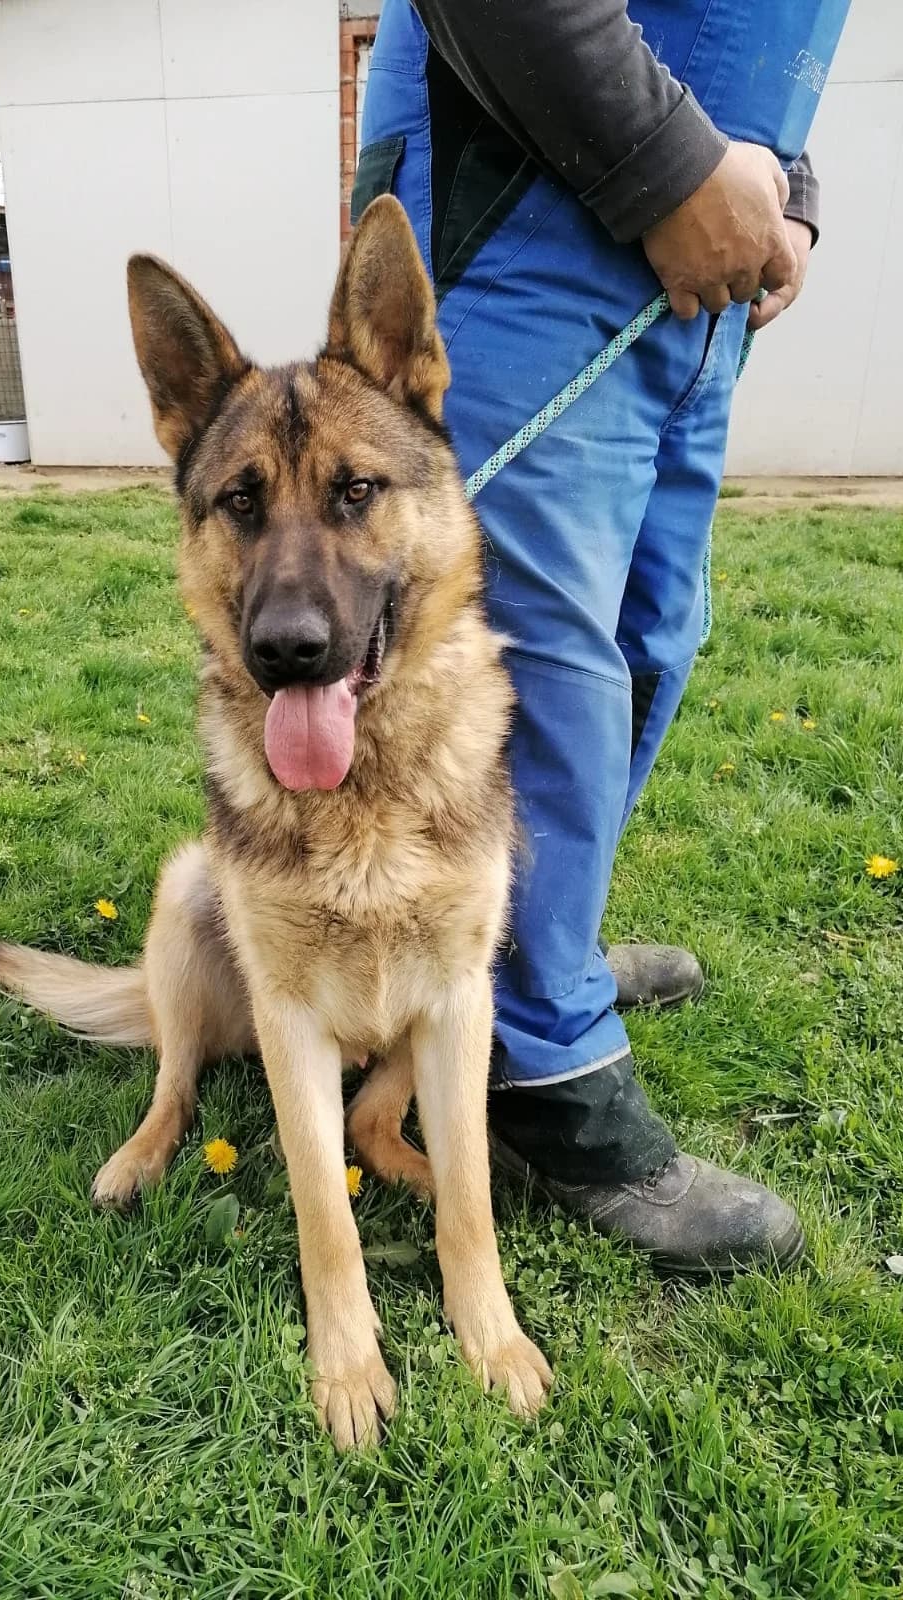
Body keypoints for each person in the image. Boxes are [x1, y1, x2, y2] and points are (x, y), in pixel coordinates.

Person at [356, 0, 851, 1272]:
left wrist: (785, 188)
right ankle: (530, 1053)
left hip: (690, 270)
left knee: (643, 644)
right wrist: (671, 165)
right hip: (530, 206)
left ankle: (544, 948)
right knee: (538, 674)